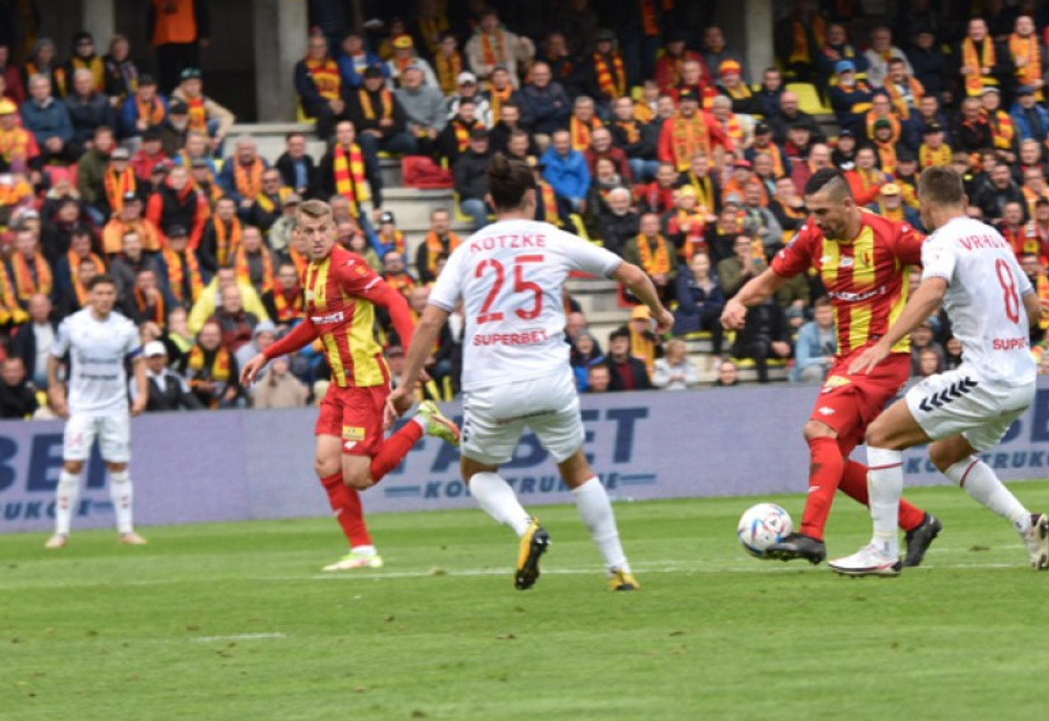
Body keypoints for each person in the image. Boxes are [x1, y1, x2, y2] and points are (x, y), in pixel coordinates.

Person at [387, 154, 674, 592]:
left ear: (490, 201)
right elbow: (632, 274)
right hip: (549, 380)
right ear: (531, 198)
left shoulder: (468, 249)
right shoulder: (552, 238)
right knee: (577, 470)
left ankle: (526, 527)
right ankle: (619, 570)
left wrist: (407, 384)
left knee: (476, 472)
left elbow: (430, 320)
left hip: (490, 385)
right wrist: (658, 311)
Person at [721, 168, 941, 568]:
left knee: (817, 430)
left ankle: (811, 535)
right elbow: (769, 280)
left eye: (822, 211)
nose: (816, 220)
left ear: (847, 204)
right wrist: (737, 301)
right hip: (848, 360)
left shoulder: (891, 235)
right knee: (831, 461)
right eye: (811, 211)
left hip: (881, 357)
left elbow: (947, 264)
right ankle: (916, 522)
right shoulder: (812, 236)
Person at [841, 166, 1049, 577]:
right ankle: (1027, 524)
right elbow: (1031, 309)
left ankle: (882, 549)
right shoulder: (994, 236)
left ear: (924, 203)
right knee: (945, 454)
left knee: (881, 435)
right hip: (1022, 380)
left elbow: (932, 290)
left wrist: (885, 343)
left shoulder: (940, 241)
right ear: (964, 200)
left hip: (986, 379)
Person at [238, 200, 461, 572]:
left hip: (365, 382)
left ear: (334, 230)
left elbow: (394, 300)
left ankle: (424, 422)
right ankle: (362, 550)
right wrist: (268, 354)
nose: (317, 237)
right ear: (298, 235)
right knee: (326, 463)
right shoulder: (313, 271)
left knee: (358, 476)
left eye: (323, 230)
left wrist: (414, 356)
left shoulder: (346, 267)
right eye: (309, 232)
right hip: (340, 384)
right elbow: (314, 324)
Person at [44, 275, 148, 549]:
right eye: (99, 293)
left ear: (115, 296)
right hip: (81, 408)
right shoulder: (72, 325)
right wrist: (55, 390)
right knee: (72, 463)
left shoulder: (125, 327)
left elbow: (138, 361)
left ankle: (126, 531)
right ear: (89, 295)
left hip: (115, 407)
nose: (104, 298)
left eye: (109, 293)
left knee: (118, 465)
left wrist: (142, 394)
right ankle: (61, 532)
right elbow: (54, 358)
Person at [134, 340, 201, 412]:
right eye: (152, 357)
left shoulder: (175, 377)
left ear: (166, 358)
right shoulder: (137, 380)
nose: (157, 361)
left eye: (159, 357)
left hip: (174, 417)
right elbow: (135, 405)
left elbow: (190, 400)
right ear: (145, 360)